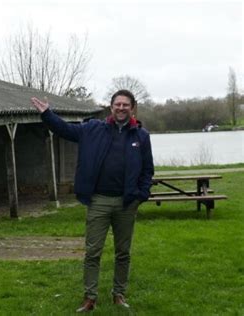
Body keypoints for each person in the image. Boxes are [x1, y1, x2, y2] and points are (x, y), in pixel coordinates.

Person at [30, 90, 154, 312]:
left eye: (126, 105)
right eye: (118, 104)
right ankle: (90, 298)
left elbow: (147, 170)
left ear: (132, 107)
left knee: (123, 252)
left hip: (126, 203)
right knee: (93, 252)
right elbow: (65, 130)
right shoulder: (93, 129)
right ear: (111, 106)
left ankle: (119, 294)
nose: (121, 108)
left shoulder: (141, 136)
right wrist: (47, 114)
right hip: (99, 201)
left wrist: (140, 195)